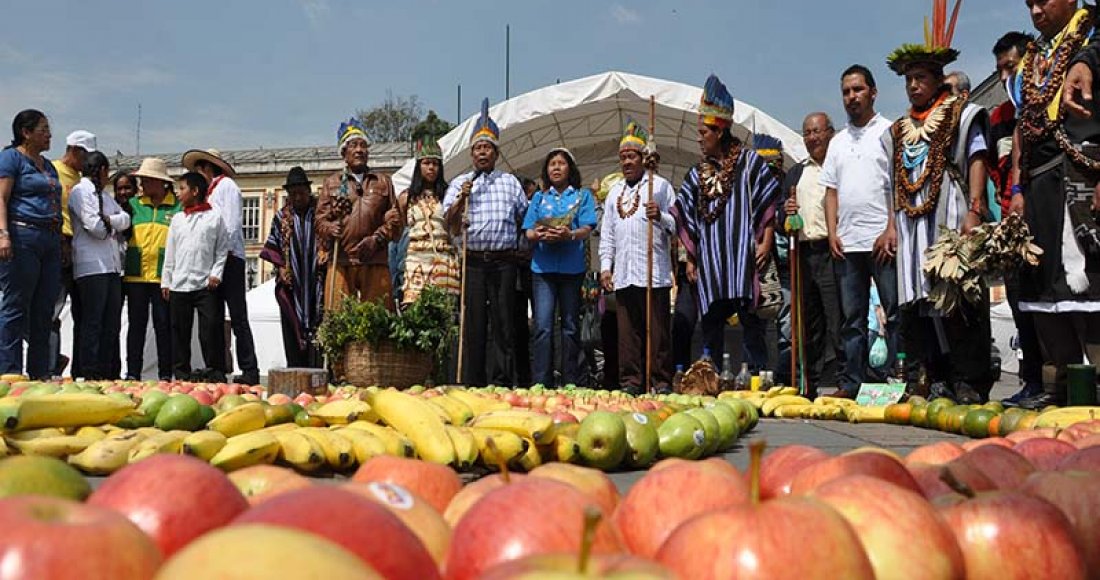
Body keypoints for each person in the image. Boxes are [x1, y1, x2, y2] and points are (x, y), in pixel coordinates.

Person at [885, 8, 993, 403]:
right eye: (909, 80)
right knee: (920, 304)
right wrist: (892, 224)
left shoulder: (961, 114)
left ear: (937, 80)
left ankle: (971, 380)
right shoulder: (898, 129)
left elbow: (978, 157)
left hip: (949, 214)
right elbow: (891, 181)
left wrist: (975, 208)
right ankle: (936, 376)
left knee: (958, 296)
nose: (914, 86)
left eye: (921, 78)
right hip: (912, 223)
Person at [1009, 0, 1100, 408]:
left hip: (1084, 175)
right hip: (1039, 182)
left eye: (1043, 0)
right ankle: (1055, 391)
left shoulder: (1093, 37)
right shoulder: (1035, 59)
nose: (1035, 10)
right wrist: (1016, 189)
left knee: (1091, 285)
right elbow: (1022, 130)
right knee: (1044, 289)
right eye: (1029, 3)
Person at [676, 75, 782, 369]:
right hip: (711, 264)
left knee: (751, 324)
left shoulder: (750, 163)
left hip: (743, 261)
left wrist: (767, 239)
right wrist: (691, 260)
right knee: (710, 324)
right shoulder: (698, 173)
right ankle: (708, 377)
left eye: (703, 133)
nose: (699, 138)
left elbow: (767, 201)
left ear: (719, 132)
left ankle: (758, 379)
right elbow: (687, 215)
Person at [821, 65, 899, 398]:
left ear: (873, 92)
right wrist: (832, 232)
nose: (852, 97)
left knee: (894, 312)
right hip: (847, 243)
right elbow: (831, 191)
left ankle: (896, 381)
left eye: (857, 89)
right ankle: (852, 384)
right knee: (851, 319)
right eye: (846, 92)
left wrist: (892, 227)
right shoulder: (837, 142)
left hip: (883, 240)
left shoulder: (889, 132)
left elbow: (900, 185)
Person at [443, 99, 529, 387]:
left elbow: (524, 217)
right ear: (472, 153)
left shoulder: (510, 182)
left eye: (488, 148)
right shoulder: (460, 183)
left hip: (504, 261)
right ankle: (473, 381)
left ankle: (502, 380)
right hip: (474, 261)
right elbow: (449, 222)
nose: (483, 153)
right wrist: (461, 199)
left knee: (504, 322)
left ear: (496, 152)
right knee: (474, 323)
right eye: (478, 148)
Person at [600, 122, 676, 394]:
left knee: (657, 334)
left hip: (652, 272)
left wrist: (662, 217)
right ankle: (631, 382)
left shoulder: (660, 187)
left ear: (643, 158)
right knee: (627, 335)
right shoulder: (614, 193)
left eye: (631, 156)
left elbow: (679, 226)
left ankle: (660, 382)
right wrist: (606, 267)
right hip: (624, 273)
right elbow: (607, 233)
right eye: (623, 158)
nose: (627, 162)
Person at [990, 30, 1042, 405]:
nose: (1007, 76)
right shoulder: (998, 116)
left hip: (1043, 212)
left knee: (1047, 301)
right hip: (1010, 220)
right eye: (1001, 70)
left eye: (1011, 66)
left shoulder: (1041, 104)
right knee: (1019, 302)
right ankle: (1032, 380)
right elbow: (994, 166)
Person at [183, 148, 259, 385]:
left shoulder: (226, 187)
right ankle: (214, 366)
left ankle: (249, 369)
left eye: (198, 170)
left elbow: (232, 224)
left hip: (229, 258)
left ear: (207, 168)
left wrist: (221, 256)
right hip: (212, 261)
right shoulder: (207, 194)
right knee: (211, 317)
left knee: (237, 316)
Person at [522, 148, 597, 388]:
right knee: (543, 326)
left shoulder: (582, 197)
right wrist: (539, 234)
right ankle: (541, 381)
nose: (555, 168)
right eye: (551, 164)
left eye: (561, 163)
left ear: (570, 169)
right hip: (542, 269)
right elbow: (528, 231)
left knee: (570, 326)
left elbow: (587, 228)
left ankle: (570, 380)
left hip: (571, 270)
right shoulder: (538, 198)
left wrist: (570, 234)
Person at [0, 110, 63, 379]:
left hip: (50, 238)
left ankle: (40, 373)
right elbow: (1, 198)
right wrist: (3, 234)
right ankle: (9, 371)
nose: (49, 134)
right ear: (26, 133)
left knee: (44, 308)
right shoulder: (11, 158)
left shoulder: (48, 165)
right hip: (21, 234)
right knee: (15, 305)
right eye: (43, 129)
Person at [783, 112, 843, 392]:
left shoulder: (839, 166)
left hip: (832, 252)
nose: (812, 138)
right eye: (806, 133)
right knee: (808, 324)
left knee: (837, 319)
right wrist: (786, 213)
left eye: (817, 131)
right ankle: (808, 384)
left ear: (830, 133)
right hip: (804, 254)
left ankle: (845, 379)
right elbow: (779, 221)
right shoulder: (796, 173)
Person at [316, 118, 402, 311]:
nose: (359, 150)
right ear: (344, 154)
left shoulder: (383, 182)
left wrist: (377, 239)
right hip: (341, 261)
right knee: (338, 322)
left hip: (375, 260)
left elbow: (395, 220)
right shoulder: (331, 183)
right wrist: (330, 228)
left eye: (363, 145)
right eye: (353, 145)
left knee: (377, 321)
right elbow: (319, 222)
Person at [161, 171, 228, 382]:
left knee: (210, 330)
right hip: (180, 283)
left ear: (195, 191)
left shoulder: (215, 217)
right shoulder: (178, 219)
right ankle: (181, 373)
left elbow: (222, 249)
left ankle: (215, 371)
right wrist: (166, 279)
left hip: (205, 283)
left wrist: (216, 273)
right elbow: (170, 252)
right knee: (180, 331)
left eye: (182, 189)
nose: (178, 194)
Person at [69, 151, 129, 380]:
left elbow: (125, 219)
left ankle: (105, 371)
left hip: (111, 266)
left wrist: (110, 220)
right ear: (102, 170)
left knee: (111, 323)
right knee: (92, 322)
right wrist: (109, 222)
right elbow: (95, 227)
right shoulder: (80, 192)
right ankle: (89, 371)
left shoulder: (104, 195)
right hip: (91, 266)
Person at [260, 166, 323, 368]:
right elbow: (274, 247)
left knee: (320, 325)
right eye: (293, 193)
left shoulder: (320, 213)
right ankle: (295, 369)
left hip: (317, 282)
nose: (297, 197)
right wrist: (281, 268)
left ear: (308, 191)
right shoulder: (281, 217)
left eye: (301, 193)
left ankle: (318, 371)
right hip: (292, 285)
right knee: (292, 328)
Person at [741, 134, 791, 380]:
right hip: (755, 266)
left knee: (787, 323)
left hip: (785, 265)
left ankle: (785, 373)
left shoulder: (789, 188)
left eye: (773, 168)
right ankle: (756, 371)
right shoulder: (747, 192)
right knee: (753, 322)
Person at [124, 158, 178, 381]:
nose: (142, 184)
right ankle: (133, 373)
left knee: (163, 327)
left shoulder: (178, 207)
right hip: (135, 277)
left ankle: (166, 374)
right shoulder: (133, 205)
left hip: (162, 278)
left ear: (160, 182)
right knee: (136, 327)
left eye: (146, 180)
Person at [51, 129, 96, 377]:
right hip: (58, 246)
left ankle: (81, 369)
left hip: (81, 252)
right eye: (86, 158)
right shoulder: (52, 171)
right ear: (75, 151)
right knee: (52, 309)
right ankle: (51, 363)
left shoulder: (83, 181)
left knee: (83, 314)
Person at [395, 138, 459, 306]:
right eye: (427, 163)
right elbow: (400, 231)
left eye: (436, 164)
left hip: (443, 262)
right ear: (419, 166)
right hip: (416, 262)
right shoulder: (406, 197)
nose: (431, 168)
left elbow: (456, 229)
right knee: (415, 318)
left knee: (444, 316)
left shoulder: (448, 195)